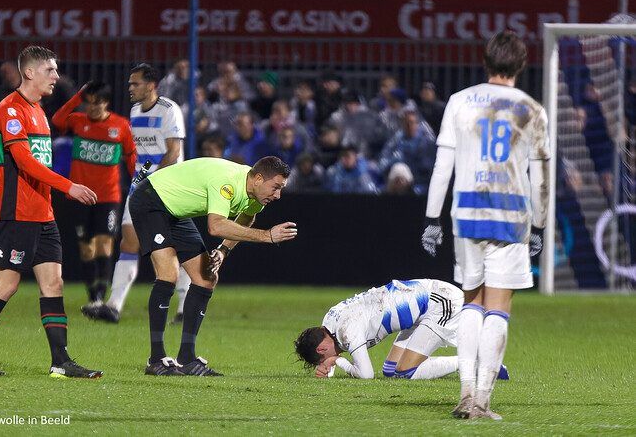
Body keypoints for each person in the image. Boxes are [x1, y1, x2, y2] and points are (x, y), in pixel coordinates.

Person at [422, 31, 549, 420]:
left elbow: (443, 165)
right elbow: (540, 176)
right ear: (522, 65)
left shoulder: (460, 101)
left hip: (467, 213)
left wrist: (432, 218)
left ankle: (463, 394)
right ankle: (481, 400)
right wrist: (541, 226)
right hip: (511, 214)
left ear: (486, 62)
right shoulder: (531, 109)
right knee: (499, 307)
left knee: (471, 301)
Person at [0, 45, 101, 378]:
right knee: (6, 285)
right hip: (16, 210)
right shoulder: (10, 109)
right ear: (30, 72)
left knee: (53, 284)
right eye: (51, 70)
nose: (56, 76)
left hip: (42, 212)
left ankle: (61, 361)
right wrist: (69, 187)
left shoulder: (39, 111)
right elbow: (23, 161)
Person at [128, 156, 297, 376]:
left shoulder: (257, 194)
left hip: (176, 212)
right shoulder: (227, 182)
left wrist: (224, 250)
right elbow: (215, 226)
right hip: (151, 199)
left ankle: (187, 358)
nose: (278, 195)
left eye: (281, 189)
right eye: (275, 187)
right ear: (257, 179)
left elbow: (246, 218)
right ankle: (156, 359)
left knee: (206, 279)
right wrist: (267, 236)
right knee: (168, 274)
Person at [84, 63, 189, 324]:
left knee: (177, 246)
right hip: (140, 185)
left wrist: (151, 180)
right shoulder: (133, 111)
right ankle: (113, 306)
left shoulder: (169, 110)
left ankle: (185, 307)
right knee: (129, 243)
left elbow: (173, 152)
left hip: (167, 187)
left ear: (151, 85)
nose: (130, 88)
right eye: (130, 83)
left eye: (135, 83)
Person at [294, 279, 510, 381]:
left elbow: (367, 374)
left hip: (439, 302)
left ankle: (479, 362)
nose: (325, 361)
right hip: (421, 305)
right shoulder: (328, 322)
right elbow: (332, 350)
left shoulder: (347, 331)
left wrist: (338, 362)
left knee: (406, 372)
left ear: (322, 348)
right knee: (391, 371)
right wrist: (330, 367)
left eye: (321, 359)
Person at [51, 81, 136, 309]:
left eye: (96, 104)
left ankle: (100, 293)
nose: (91, 109)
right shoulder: (79, 122)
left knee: (104, 244)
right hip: (80, 196)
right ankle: (92, 295)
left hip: (108, 196)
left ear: (106, 103)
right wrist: (77, 97)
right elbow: (57, 120)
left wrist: (137, 183)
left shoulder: (121, 126)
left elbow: (131, 156)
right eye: (87, 104)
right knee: (86, 246)